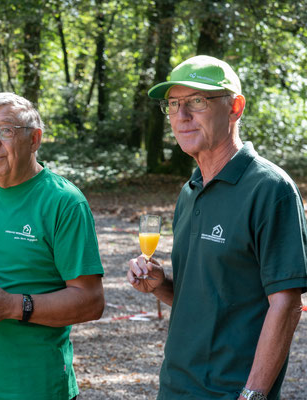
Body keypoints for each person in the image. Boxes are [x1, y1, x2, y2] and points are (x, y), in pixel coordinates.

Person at [128, 55, 307, 400]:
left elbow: (286, 305)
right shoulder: (190, 190)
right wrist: (160, 284)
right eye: (174, 104)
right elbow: (207, 296)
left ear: (235, 107)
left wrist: (251, 395)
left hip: (230, 392)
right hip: (175, 388)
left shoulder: (270, 189)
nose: (182, 116)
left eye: (197, 101)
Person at [0, 92, 105, 400]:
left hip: (33, 385)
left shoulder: (64, 202)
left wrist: (13, 306)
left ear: (34, 139)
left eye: (6, 130)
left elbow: (91, 301)